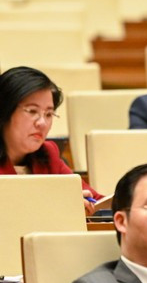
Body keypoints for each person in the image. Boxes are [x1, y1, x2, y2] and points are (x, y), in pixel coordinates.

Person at [0, 66, 100, 214]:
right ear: (5, 111)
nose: (42, 123)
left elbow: (97, 200)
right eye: (32, 111)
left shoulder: (48, 154)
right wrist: (59, 202)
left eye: (48, 114)